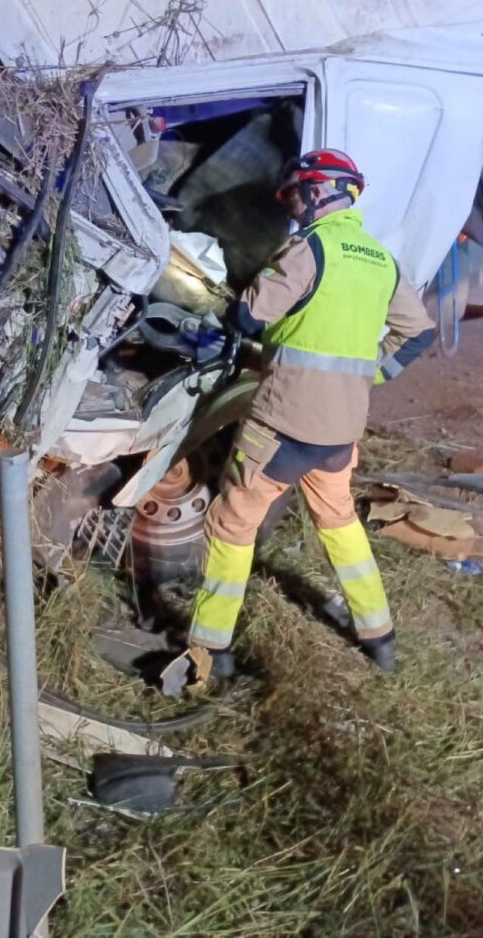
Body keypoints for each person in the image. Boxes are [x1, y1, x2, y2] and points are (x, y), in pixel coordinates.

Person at [186, 149, 435, 675]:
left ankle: (212, 649)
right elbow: (419, 332)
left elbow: (250, 316)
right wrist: (369, 375)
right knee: (340, 522)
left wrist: (233, 306)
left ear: (321, 190)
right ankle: (379, 636)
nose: (293, 207)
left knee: (231, 525)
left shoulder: (309, 249)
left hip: (281, 428)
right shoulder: (380, 260)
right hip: (340, 431)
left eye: (296, 194)